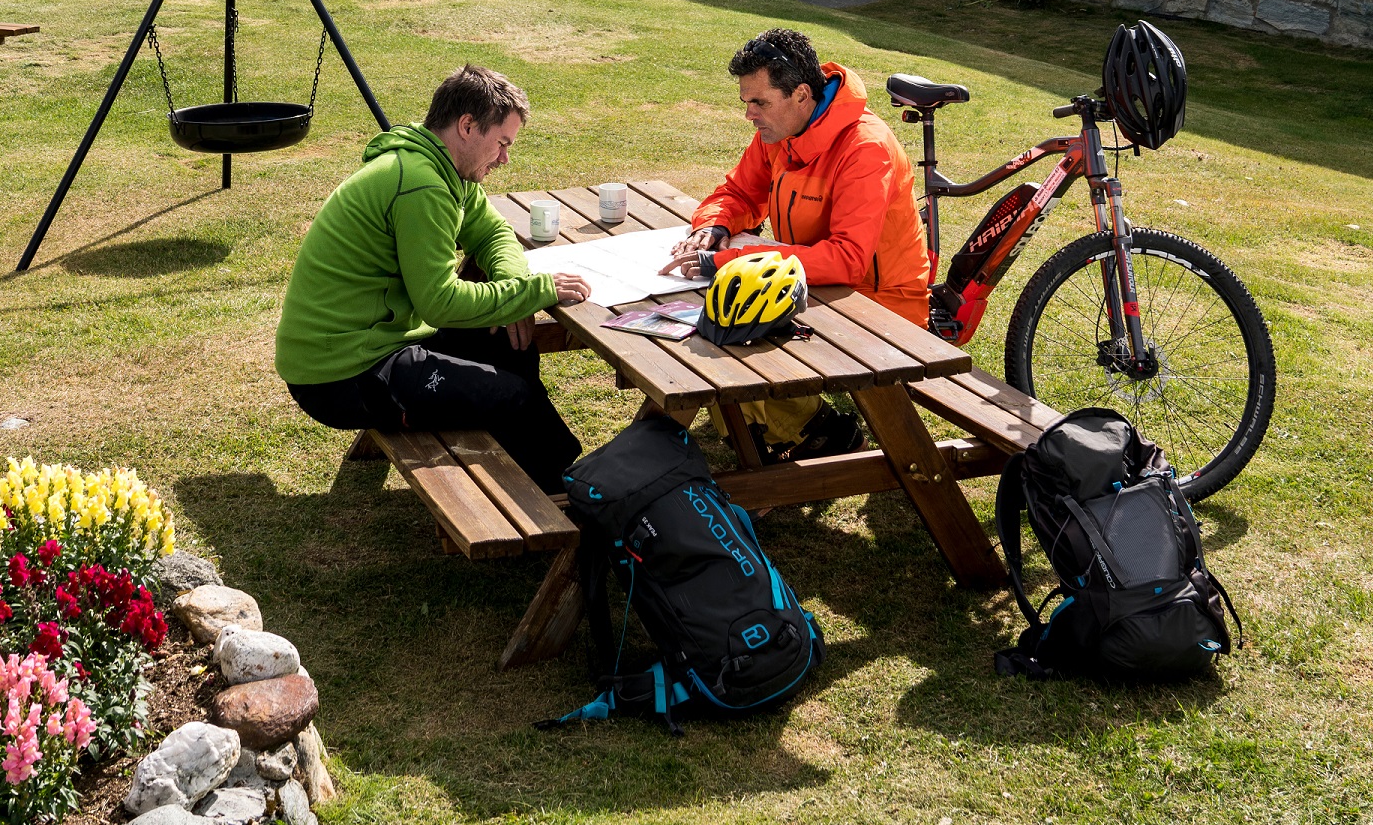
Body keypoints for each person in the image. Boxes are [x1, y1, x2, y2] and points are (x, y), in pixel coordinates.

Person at [276, 63, 595, 485]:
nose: (504, 158)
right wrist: (534, 292)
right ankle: (572, 494)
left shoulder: (440, 167)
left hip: (378, 342)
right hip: (341, 374)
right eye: (501, 143)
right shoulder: (421, 186)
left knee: (507, 346)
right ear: (467, 125)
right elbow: (439, 302)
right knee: (511, 397)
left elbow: (494, 232)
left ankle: (544, 475)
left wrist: (516, 291)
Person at [668, 27, 932, 458]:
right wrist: (712, 227)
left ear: (802, 95)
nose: (749, 115)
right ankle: (770, 435)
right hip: (816, 286)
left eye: (759, 102)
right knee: (713, 323)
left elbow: (847, 260)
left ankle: (820, 435)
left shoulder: (866, 148)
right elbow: (738, 193)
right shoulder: (781, 129)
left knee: (726, 331)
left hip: (879, 305)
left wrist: (738, 258)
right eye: (746, 102)